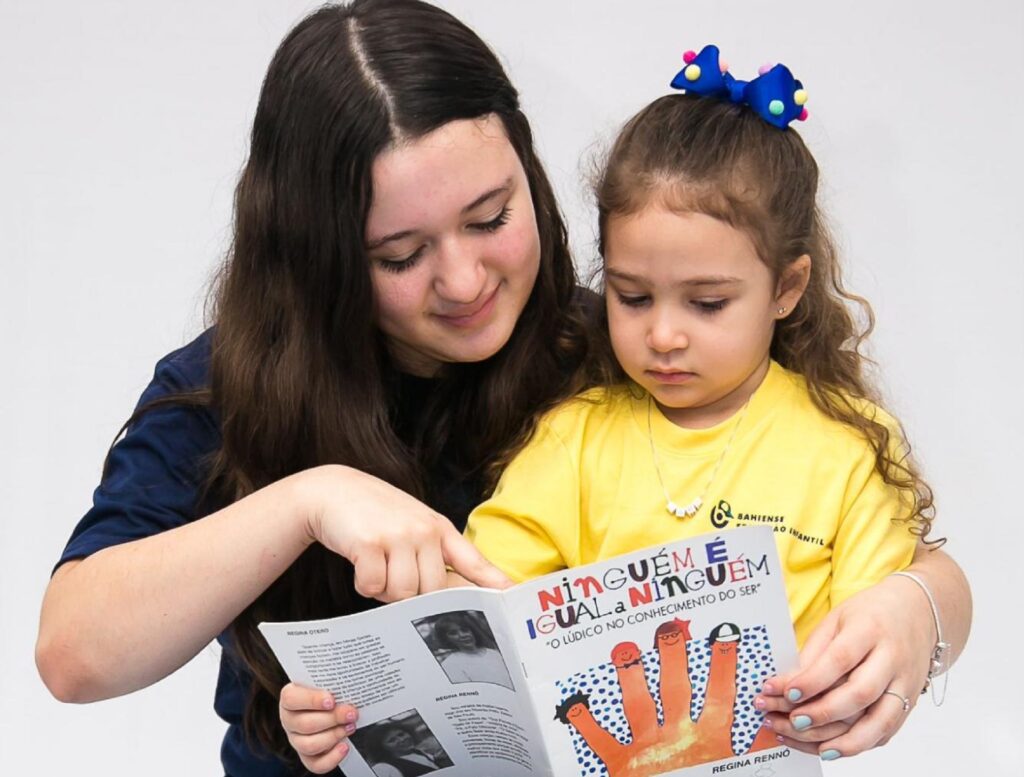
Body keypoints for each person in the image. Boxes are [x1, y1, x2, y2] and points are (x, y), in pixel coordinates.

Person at [32, 5, 969, 775]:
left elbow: (877, 526)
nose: (467, 280)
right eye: (400, 255)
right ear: (319, 256)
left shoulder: (626, 349)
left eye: (491, 218)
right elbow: (74, 654)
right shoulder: (231, 383)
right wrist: (310, 501)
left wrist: (918, 610)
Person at [466, 46, 969, 765]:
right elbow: (486, 591)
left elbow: (874, 631)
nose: (663, 334)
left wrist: (879, 657)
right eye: (631, 295)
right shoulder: (574, 437)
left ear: (787, 288)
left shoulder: (842, 448)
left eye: (707, 303)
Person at [431, 611, 513, 689]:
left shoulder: (494, 653)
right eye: (453, 633)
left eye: (464, 630)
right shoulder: (450, 664)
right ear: (446, 639)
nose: (462, 635)